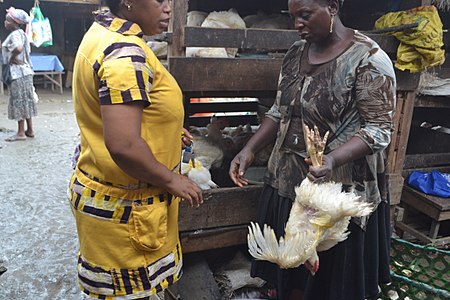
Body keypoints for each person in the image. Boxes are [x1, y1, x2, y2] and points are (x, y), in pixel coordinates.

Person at [229, 0, 396, 299]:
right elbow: (280, 111)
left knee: (328, 280)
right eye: (293, 17)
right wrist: (249, 149)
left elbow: (378, 130)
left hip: (337, 192)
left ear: (332, 6)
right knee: (289, 272)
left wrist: (331, 159)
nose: (297, 24)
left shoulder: (368, 58)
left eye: (305, 15)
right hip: (288, 181)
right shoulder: (295, 53)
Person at [68, 0, 203, 298]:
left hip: (104, 194)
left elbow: (113, 112)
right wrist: (172, 179)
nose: (169, 8)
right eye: (160, 1)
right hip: (129, 213)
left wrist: (167, 128)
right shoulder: (125, 53)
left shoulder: (102, 33)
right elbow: (124, 145)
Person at [1, 7, 36, 141]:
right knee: (26, 100)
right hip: (26, 72)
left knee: (18, 101)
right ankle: (30, 130)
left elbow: (18, 48)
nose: (5, 22)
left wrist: (10, 57)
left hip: (18, 73)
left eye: (7, 20)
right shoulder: (22, 33)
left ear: (15, 23)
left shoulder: (15, 34)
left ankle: (21, 133)